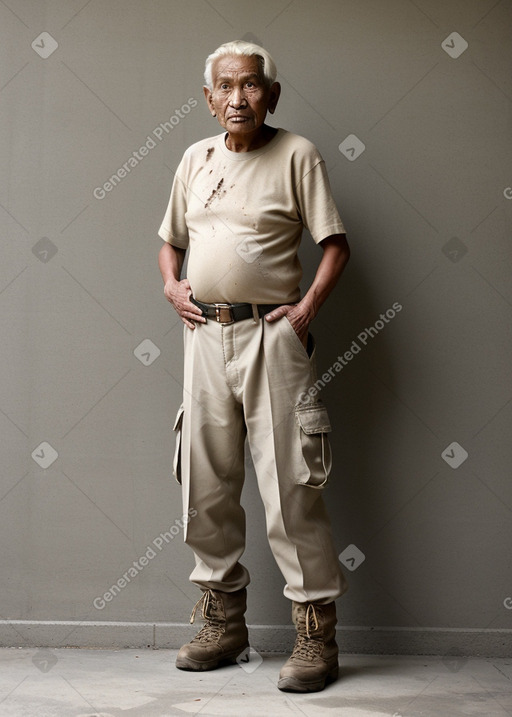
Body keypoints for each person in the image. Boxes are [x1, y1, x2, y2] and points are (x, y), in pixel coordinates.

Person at [158, 40, 350, 693]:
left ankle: (315, 635)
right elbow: (170, 242)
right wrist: (171, 286)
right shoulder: (194, 157)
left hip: (273, 336)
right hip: (205, 336)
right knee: (204, 483)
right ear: (208, 98)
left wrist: (305, 311)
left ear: (271, 93)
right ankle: (223, 622)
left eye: (251, 85)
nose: (238, 97)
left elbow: (335, 245)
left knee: (292, 484)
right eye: (225, 87)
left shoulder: (297, 154)